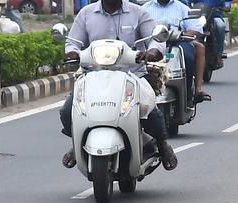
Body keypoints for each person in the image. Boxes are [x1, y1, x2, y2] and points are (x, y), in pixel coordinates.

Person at [60, 0, 178, 171]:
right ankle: (78, 142)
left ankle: (163, 145)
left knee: (149, 110)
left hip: (133, 75)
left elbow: (156, 39)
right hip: (93, 75)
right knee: (67, 112)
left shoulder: (138, 13)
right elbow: (73, 42)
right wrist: (72, 52)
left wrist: (153, 52)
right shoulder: (86, 13)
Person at [142, 0, 211, 104]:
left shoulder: (181, 7)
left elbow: (195, 27)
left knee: (188, 56)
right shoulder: (145, 9)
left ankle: (194, 92)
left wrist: (183, 35)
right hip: (152, 44)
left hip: (177, 42)